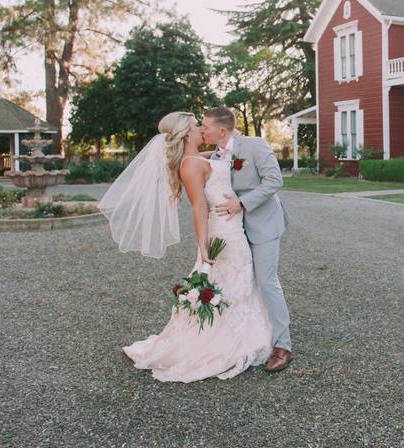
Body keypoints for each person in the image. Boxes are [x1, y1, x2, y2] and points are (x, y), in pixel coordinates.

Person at [98, 111, 274, 382]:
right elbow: (199, 209)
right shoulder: (190, 165)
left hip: (235, 227)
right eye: (197, 127)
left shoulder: (198, 158)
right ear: (187, 133)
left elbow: (220, 159)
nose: (202, 130)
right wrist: (203, 248)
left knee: (240, 281)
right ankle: (221, 341)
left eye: (203, 126)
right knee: (231, 279)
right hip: (223, 232)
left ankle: (246, 332)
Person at [200, 107, 293, 372]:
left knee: (266, 280)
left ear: (221, 130)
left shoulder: (254, 146)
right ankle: (251, 338)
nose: (202, 129)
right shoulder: (217, 154)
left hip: (263, 224)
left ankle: (283, 346)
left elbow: (274, 180)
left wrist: (242, 202)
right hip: (234, 231)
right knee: (245, 282)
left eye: (205, 126)